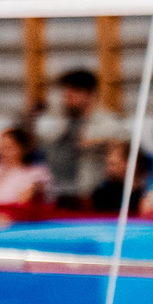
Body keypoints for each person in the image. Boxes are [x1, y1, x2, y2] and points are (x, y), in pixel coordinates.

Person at [45, 70, 116, 208]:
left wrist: (100, 142)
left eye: (74, 92)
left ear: (90, 95)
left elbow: (127, 145)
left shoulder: (107, 122)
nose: (68, 97)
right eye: (66, 92)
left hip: (86, 197)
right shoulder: (60, 122)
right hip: (57, 195)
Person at [0, 125, 51, 219]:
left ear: (23, 149)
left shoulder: (36, 174)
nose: (2, 152)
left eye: (8, 148)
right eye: (0, 148)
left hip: (16, 225)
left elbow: (23, 205)